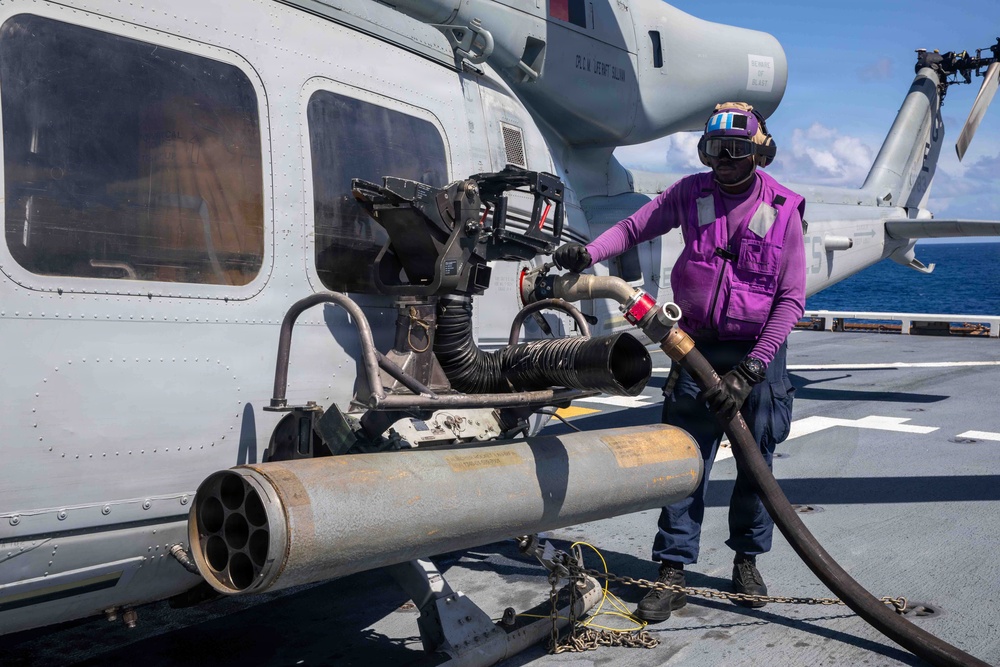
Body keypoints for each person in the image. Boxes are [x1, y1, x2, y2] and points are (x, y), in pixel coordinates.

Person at [553, 102, 806, 622]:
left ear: (760, 152)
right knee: (684, 457)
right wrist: (588, 254)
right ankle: (671, 569)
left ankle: (746, 561)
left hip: (757, 350)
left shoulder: (783, 209)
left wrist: (752, 369)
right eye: (713, 149)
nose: (723, 161)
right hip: (694, 348)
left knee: (756, 462)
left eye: (735, 151)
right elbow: (632, 228)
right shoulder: (691, 193)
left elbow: (790, 300)